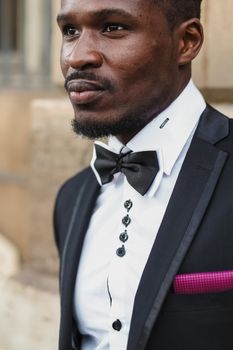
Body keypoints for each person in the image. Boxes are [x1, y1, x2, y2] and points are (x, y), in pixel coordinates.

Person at [54, 0, 233, 349]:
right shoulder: (70, 198)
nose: (77, 56)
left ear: (187, 42)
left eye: (113, 28)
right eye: (70, 31)